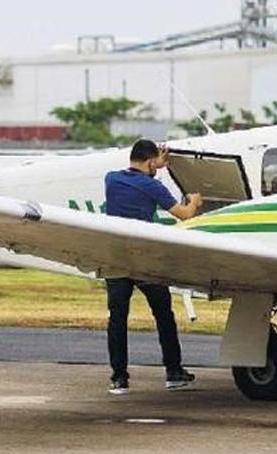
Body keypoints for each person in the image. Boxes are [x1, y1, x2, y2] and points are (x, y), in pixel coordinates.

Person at [104, 139, 203, 395]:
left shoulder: (111, 179)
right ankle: (173, 372)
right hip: (145, 260)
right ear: (150, 161)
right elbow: (184, 215)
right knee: (163, 315)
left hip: (115, 258)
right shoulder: (152, 186)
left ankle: (119, 378)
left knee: (117, 319)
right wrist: (195, 200)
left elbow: (137, 173)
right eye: (157, 162)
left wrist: (155, 161)